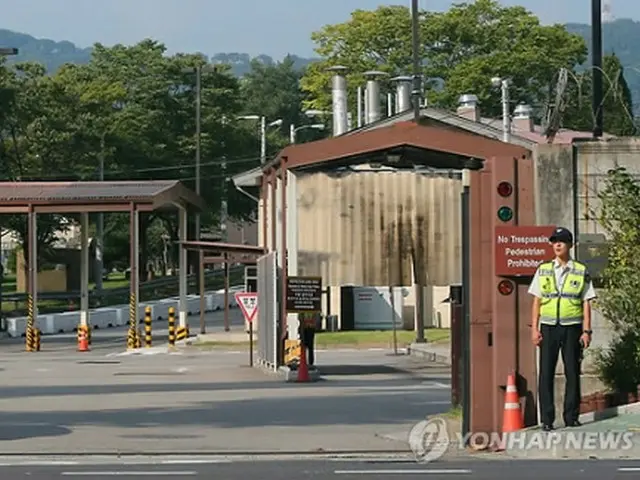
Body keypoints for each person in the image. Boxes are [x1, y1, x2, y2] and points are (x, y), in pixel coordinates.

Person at [528, 227, 596, 431]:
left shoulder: (580, 270)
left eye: (562, 241)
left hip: (572, 328)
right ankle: (547, 419)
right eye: (554, 241)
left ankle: (571, 416)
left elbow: (586, 302)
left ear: (570, 245)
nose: (557, 245)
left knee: (572, 372)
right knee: (546, 373)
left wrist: (587, 331)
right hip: (548, 328)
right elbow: (536, 301)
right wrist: (534, 328)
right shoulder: (544, 269)